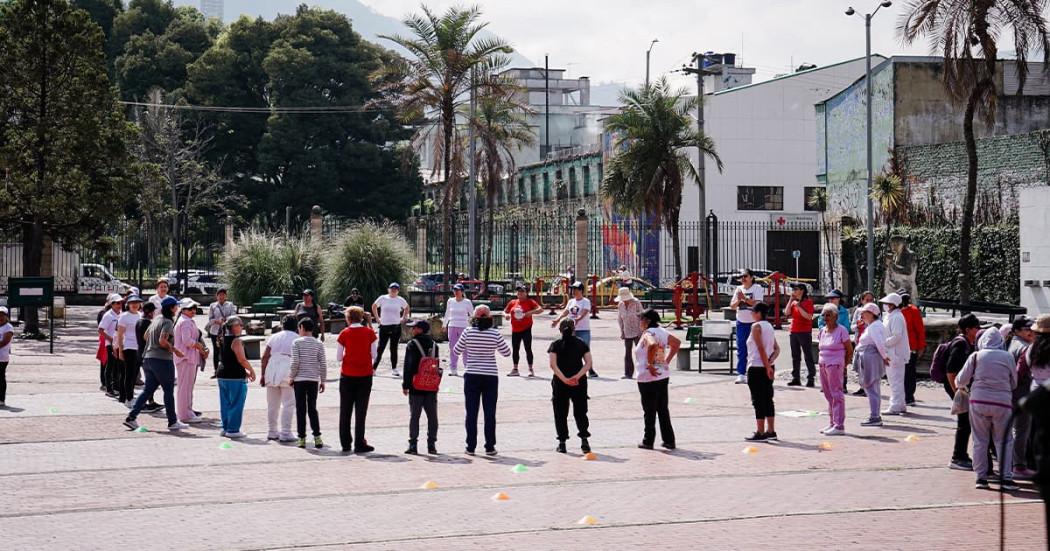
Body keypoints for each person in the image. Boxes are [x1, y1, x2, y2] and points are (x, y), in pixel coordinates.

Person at [956, 329, 1019, 491]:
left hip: (978, 401)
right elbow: (1014, 383)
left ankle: (981, 478)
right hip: (1002, 403)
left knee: (980, 441)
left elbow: (961, 380)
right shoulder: (1008, 357)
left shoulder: (976, 356)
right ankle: (1006, 477)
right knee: (1004, 441)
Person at [455, 304, 511, 455]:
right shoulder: (494, 333)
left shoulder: (468, 332)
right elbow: (507, 352)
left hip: (471, 374)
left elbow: (456, 350)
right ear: (490, 318)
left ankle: (470, 446)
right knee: (490, 413)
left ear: (474, 317)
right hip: (490, 375)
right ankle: (490, 446)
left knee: (471, 412)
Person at [123, 296, 185, 432]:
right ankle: (172, 421)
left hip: (148, 359)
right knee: (168, 390)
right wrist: (174, 350)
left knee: (148, 390)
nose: (177, 308)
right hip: (161, 360)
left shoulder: (156, 319)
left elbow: (146, 336)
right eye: (176, 306)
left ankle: (131, 417)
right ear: (171, 308)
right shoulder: (168, 322)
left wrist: (153, 344)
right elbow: (163, 341)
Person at [634, 309, 680, 449]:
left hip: (648, 377)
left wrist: (649, 363)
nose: (639, 322)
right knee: (662, 409)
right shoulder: (661, 331)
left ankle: (648, 440)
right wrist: (666, 361)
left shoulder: (648, 333)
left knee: (649, 410)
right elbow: (676, 343)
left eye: (641, 319)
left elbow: (653, 344)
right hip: (662, 375)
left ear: (647, 321)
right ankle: (669, 440)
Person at [336, 306, 378, 453]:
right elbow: (374, 354)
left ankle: (345, 443)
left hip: (347, 375)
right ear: (361, 318)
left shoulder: (344, 333)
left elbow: (338, 357)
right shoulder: (369, 333)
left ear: (348, 318)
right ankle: (360, 442)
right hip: (365, 375)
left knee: (345, 410)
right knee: (361, 411)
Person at [548, 318, 593, 453]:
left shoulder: (555, 344)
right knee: (580, 411)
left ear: (560, 330)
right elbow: (588, 363)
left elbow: (553, 365)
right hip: (579, 382)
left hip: (560, 383)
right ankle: (584, 440)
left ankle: (562, 442)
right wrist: (577, 376)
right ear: (574, 330)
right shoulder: (581, 343)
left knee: (560, 412)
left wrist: (564, 379)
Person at [945, 313, 981, 471]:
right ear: (968, 329)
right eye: (976, 327)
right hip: (959, 389)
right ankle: (957, 457)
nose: (979, 330)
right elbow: (950, 371)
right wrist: (957, 393)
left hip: (963, 388)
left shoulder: (969, 342)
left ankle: (962, 455)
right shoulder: (960, 344)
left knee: (967, 423)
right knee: (964, 423)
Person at [402, 319, 439, 455]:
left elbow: (408, 366)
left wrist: (406, 385)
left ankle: (413, 444)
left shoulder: (412, 344)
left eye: (415, 328)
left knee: (415, 416)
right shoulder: (435, 345)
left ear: (420, 330)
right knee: (432, 416)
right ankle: (432, 444)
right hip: (430, 385)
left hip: (416, 385)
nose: (412, 330)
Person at [744, 303, 780, 441]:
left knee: (758, 400)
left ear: (758, 313)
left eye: (753, 311)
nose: (752, 314)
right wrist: (771, 361)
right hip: (768, 365)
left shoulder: (756, 326)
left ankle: (760, 431)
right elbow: (776, 348)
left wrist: (767, 366)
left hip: (757, 366)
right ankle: (771, 430)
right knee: (768, 398)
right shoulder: (769, 326)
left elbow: (760, 348)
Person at [216, 316, 257, 438]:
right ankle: (233, 429)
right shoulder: (236, 341)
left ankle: (225, 427)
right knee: (236, 403)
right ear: (234, 327)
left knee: (225, 403)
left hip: (222, 374)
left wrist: (245, 372)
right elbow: (241, 359)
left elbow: (229, 359)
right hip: (234, 376)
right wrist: (251, 370)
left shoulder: (222, 339)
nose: (242, 327)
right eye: (240, 324)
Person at [290, 318, 326, 449]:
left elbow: (295, 362)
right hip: (313, 380)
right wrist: (323, 380)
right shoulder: (318, 344)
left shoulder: (296, 343)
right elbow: (323, 363)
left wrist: (291, 377)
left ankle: (302, 439)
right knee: (312, 408)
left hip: (299, 380)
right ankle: (317, 437)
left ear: (302, 327)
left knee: (300, 409)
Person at [260, 316, 298, 442]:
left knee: (272, 404)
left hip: (272, 367)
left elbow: (265, 356)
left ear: (283, 325)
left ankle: (272, 431)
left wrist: (263, 374)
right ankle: (286, 432)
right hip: (288, 367)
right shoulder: (297, 338)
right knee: (288, 403)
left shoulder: (274, 336)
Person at [817, 303, 853, 435]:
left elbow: (849, 349)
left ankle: (839, 425)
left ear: (836, 316)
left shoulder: (841, 330)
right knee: (828, 394)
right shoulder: (822, 331)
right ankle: (832, 422)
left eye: (829, 315)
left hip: (835, 365)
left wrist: (845, 365)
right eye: (824, 315)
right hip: (823, 364)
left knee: (836, 394)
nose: (826, 318)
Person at [1008, 316, 1036, 480]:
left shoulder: (1013, 344)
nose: (1031, 331)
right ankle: (1018, 465)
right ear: (1017, 331)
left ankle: (1014, 462)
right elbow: (1021, 373)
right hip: (1023, 392)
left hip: (1014, 392)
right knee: (1022, 430)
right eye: (1027, 329)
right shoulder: (1025, 347)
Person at [854, 303, 890, 427]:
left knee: (871, 388)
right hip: (871, 356)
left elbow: (879, 343)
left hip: (870, 357)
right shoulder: (875, 325)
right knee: (873, 388)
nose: (862, 315)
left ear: (872, 314)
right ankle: (875, 415)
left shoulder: (874, 327)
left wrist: (885, 357)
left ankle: (874, 416)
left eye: (864, 313)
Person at [552, 281, 597, 377]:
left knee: (584, 349)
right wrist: (557, 319)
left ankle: (590, 369)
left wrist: (578, 319)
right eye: (573, 289)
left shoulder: (586, 301)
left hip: (583, 329)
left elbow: (584, 312)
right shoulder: (571, 301)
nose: (573, 291)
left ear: (581, 290)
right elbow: (566, 312)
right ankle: (571, 368)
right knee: (570, 349)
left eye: (576, 289)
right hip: (571, 330)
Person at [174, 298, 207, 424]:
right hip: (185, 358)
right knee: (185, 387)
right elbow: (187, 341)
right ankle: (184, 414)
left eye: (194, 308)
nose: (193, 311)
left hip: (188, 357)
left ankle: (187, 411)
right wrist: (199, 346)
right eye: (190, 308)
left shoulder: (187, 321)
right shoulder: (185, 322)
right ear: (184, 309)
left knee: (187, 387)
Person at [731, 269, 765, 385]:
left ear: (751, 277)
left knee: (755, 348)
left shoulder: (757, 288)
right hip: (741, 322)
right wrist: (739, 300)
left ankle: (756, 373)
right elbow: (732, 306)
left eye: (745, 276)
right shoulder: (738, 289)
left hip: (754, 323)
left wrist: (745, 299)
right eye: (741, 277)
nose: (743, 279)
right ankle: (741, 373)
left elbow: (758, 304)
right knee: (741, 348)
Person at [880, 293, 910, 415]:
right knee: (895, 380)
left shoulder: (897, 317)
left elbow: (897, 336)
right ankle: (900, 404)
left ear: (893, 305)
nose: (885, 306)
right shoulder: (891, 316)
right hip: (892, 352)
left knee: (895, 380)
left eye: (887, 304)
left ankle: (895, 406)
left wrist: (884, 343)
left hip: (895, 353)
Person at [504, 285, 543, 377]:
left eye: (522, 292)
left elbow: (540, 309)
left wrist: (530, 313)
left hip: (526, 328)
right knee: (515, 349)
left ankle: (530, 369)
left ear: (526, 293)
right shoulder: (513, 302)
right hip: (515, 329)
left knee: (528, 349)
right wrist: (506, 315)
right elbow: (505, 311)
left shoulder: (530, 302)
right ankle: (515, 369)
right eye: (518, 292)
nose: (520, 294)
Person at [372, 283, 410, 376]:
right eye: (392, 288)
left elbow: (407, 307)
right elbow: (374, 306)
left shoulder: (400, 299)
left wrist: (403, 317)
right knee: (380, 348)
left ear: (398, 290)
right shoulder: (383, 298)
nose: (393, 290)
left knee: (394, 348)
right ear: (388, 289)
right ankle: (373, 369)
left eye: (396, 289)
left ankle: (394, 368)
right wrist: (377, 318)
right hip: (384, 325)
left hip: (396, 326)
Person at [114, 296, 143, 406]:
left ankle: (128, 395)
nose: (135, 305)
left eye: (137, 303)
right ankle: (128, 398)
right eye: (132, 303)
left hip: (139, 347)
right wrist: (120, 350)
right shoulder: (124, 316)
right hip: (128, 347)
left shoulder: (141, 316)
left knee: (135, 374)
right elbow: (120, 335)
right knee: (129, 374)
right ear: (128, 304)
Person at [785, 283, 816, 387]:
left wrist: (799, 306)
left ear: (802, 290)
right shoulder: (793, 302)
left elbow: (808, 317)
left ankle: (811, 378)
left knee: (808, 355)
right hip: (794, 331)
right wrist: (790, 301)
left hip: (804, 331)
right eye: (793, 289)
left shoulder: (808, 302)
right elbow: (786, 312)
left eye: (796, 289)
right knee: (795, 356)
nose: (793, 291)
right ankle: (796, 378)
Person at [135, 302, 164, 413]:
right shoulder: (148, 324)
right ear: (150, 312)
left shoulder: (139, 322)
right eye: (153, 311)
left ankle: (150, 401)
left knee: (150, 379)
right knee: (152, 380)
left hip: (140, 352)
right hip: (147, 354)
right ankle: (144, 402)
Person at [899, 292, 926, 406]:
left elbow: (919, 330)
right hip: (899, 346)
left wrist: (921, 346)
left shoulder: (914, 311)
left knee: (909, 372)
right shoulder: (896, 312)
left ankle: (909, 396)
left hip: (911, 346)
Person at [849, 290, 877, 396]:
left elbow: (879, 326)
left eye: (871, 300)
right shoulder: (858, 311)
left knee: (868, 366)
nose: (869, 302)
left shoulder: (875, 311)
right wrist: (857, 325)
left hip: (870, 342)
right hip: (859, 342)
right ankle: (862, 387)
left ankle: (869, 387)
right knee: (859, 366)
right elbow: (852, 327)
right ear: (862, 300)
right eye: (867, 300)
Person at [98, 293, 124, 398]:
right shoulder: (108, 315)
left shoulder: (121, 314)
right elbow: (100, 330)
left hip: (119, 344)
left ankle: (116, 386)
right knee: (110, 366)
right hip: (110, 345)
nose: (119, 305)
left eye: (121, 303)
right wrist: (111, 339)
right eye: (117, 303)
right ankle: (108, 388)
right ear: (112, 304)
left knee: (118, 366)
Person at [443, 284, 472, 377]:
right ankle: (453, 369)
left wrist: (474, 326)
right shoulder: (450, 301)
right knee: (452, 348)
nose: (456, 292)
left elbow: (472, 314)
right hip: (452, 326)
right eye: (454, 290)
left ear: (462, 292)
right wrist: (444, 324)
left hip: (464, 326)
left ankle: (467, 368)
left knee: (465, 348)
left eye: (458, 290)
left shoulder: (467, 302)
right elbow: (447, 313)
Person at [616, 287, 644, 379]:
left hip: (638, 330)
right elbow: (620, 319)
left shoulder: (636, 302)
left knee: (640, 352)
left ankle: (643, 372)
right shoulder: (620, 305)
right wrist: (622, 331)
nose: (624, 301)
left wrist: (642, 330)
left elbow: (642, 316)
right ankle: (628, 373)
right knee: (627, 353)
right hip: (627, 330)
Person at [207, 288, 236, 378]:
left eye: (223, 295)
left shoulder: (230, 305)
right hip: (215, 331)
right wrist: (217, 321)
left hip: (227, 332)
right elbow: (210, 319)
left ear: (226, 296)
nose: (221, 297)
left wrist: (226, 320)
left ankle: (226, 369)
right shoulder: (213, 305)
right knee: (216, 351)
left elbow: (234, 316)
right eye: (219, 295)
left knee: (226, 351)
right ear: (217, 296)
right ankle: (216, 371)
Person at [0, 306, 13, 407]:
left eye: (2, 315)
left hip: (2, 358)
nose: (0, 317)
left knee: (0, 377)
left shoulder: (8, 328)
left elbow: (5, 342)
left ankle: (1, 399)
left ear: (6, 316)